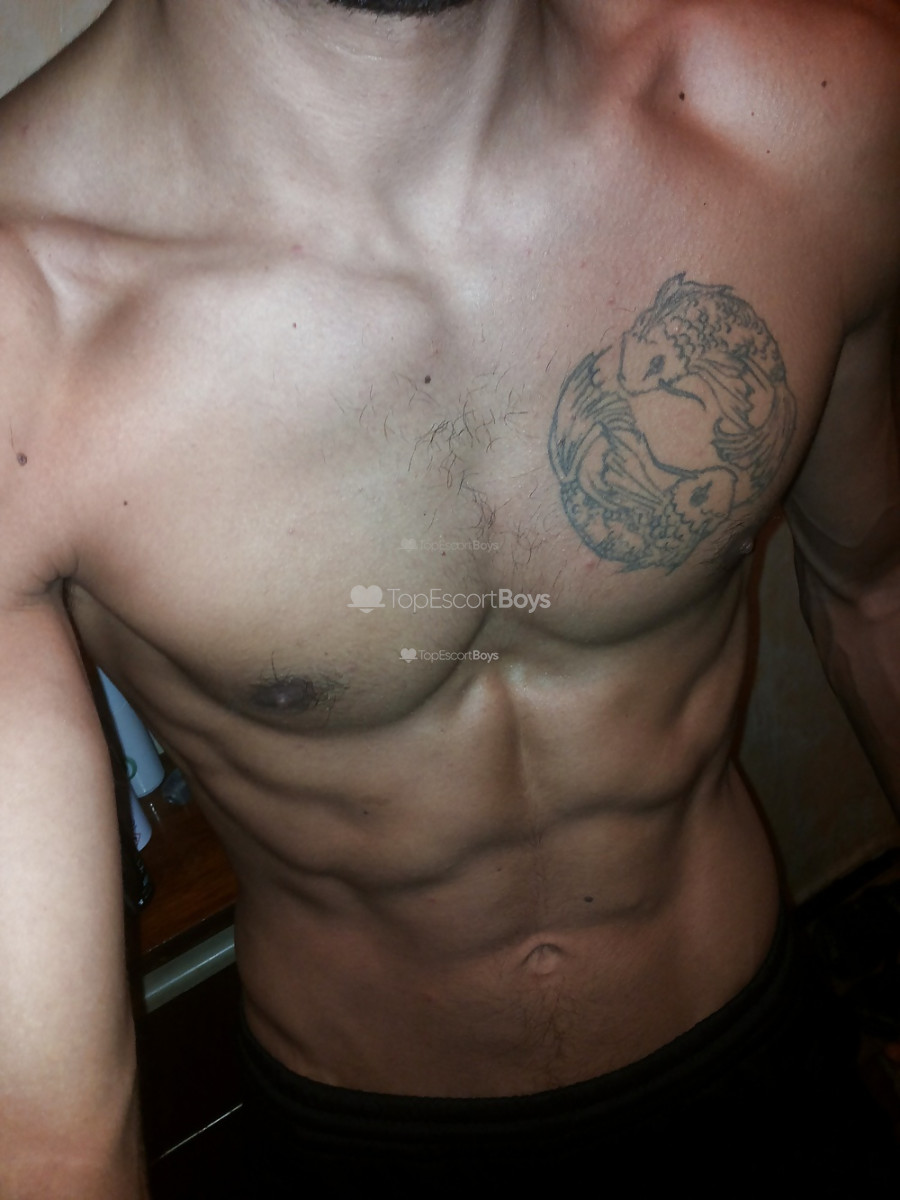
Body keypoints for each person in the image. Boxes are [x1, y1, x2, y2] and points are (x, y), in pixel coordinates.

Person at [0, 0, 898, 1195]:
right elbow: (48, 1142)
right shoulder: (22, 326)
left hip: (761, 1056)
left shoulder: (810, 110)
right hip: (364, 1134)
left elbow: (875, 593)